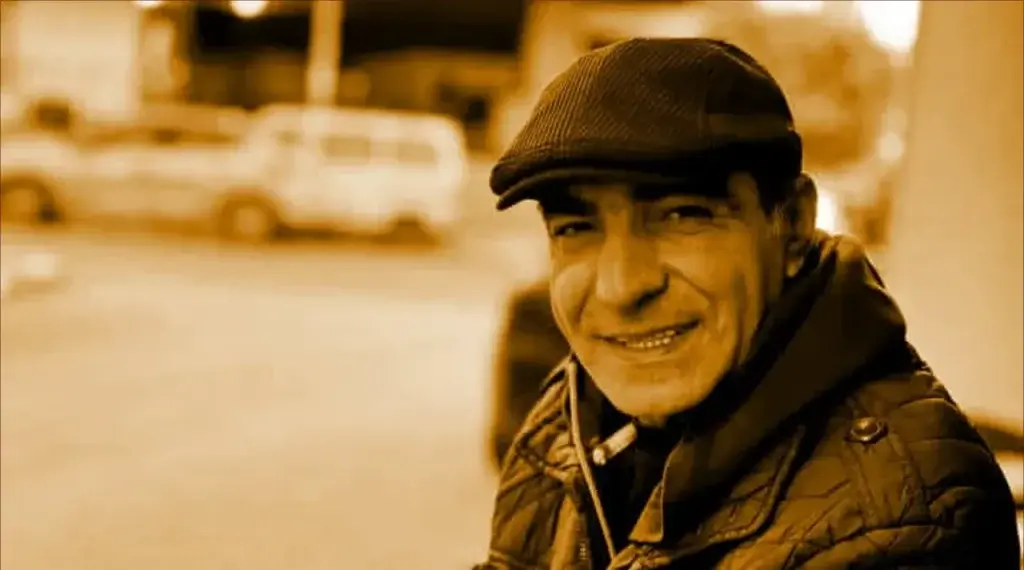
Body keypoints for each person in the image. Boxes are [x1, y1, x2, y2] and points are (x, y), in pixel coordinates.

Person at [474, 38, 1021, 570]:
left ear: (793, 225)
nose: (621, 287)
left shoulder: (901, 525)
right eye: (575, 227)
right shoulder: (573, 409)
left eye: (683, 215)